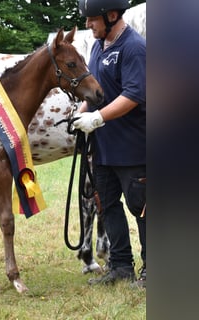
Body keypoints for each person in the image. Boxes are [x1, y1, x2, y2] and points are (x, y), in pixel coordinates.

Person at [74, 0, 146, 288]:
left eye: (92, 19)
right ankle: (120, 266)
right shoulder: (98, 47)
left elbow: (133, 95)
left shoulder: (134, 48)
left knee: (142, 209)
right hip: (103, 149)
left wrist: (97, 118)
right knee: (108, 207)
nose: (89, 25)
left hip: (133, 147)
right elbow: (95, 91)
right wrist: (80, 114)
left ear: (111, 15)